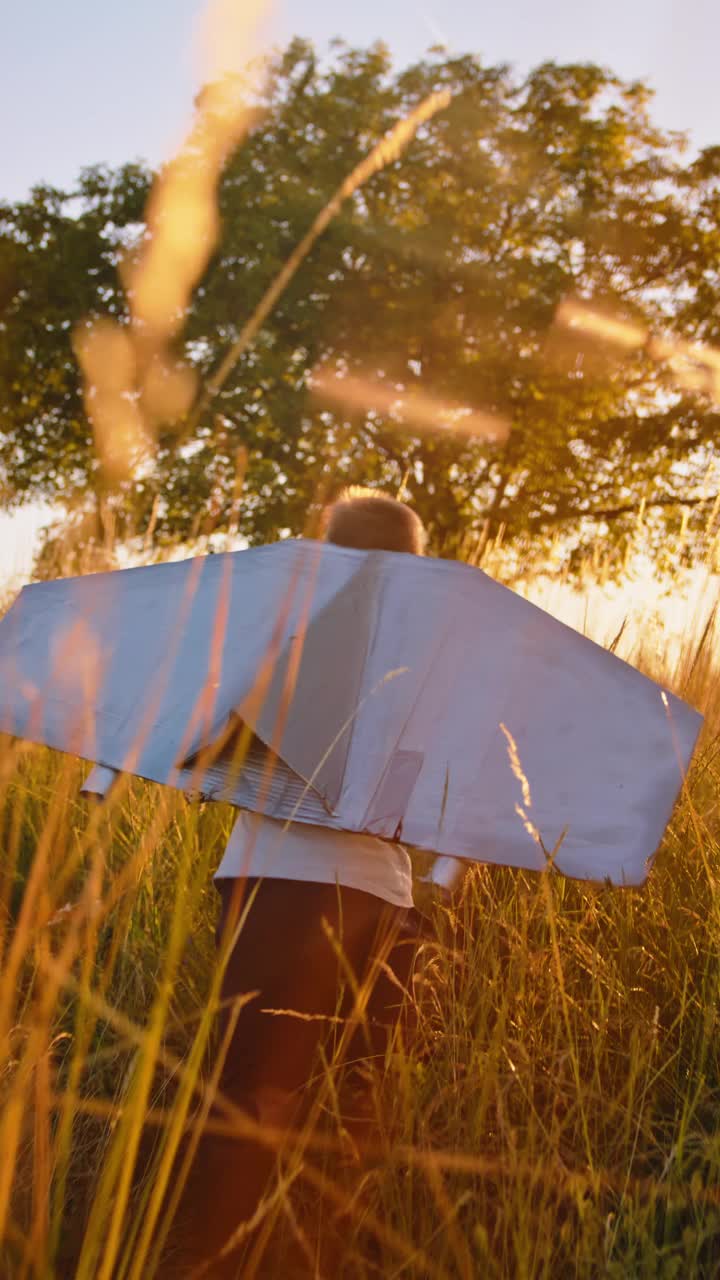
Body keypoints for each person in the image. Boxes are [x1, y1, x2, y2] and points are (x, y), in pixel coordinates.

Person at [166, 488, 427, 1275]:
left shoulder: (270, 645)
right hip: (375, 900)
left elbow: (200, 763)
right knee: (356, 1097)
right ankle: (303, 1252)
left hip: (275, 888)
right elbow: (425, 805)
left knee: (256, 1092)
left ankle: (220, 1252)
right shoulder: (428, 665)